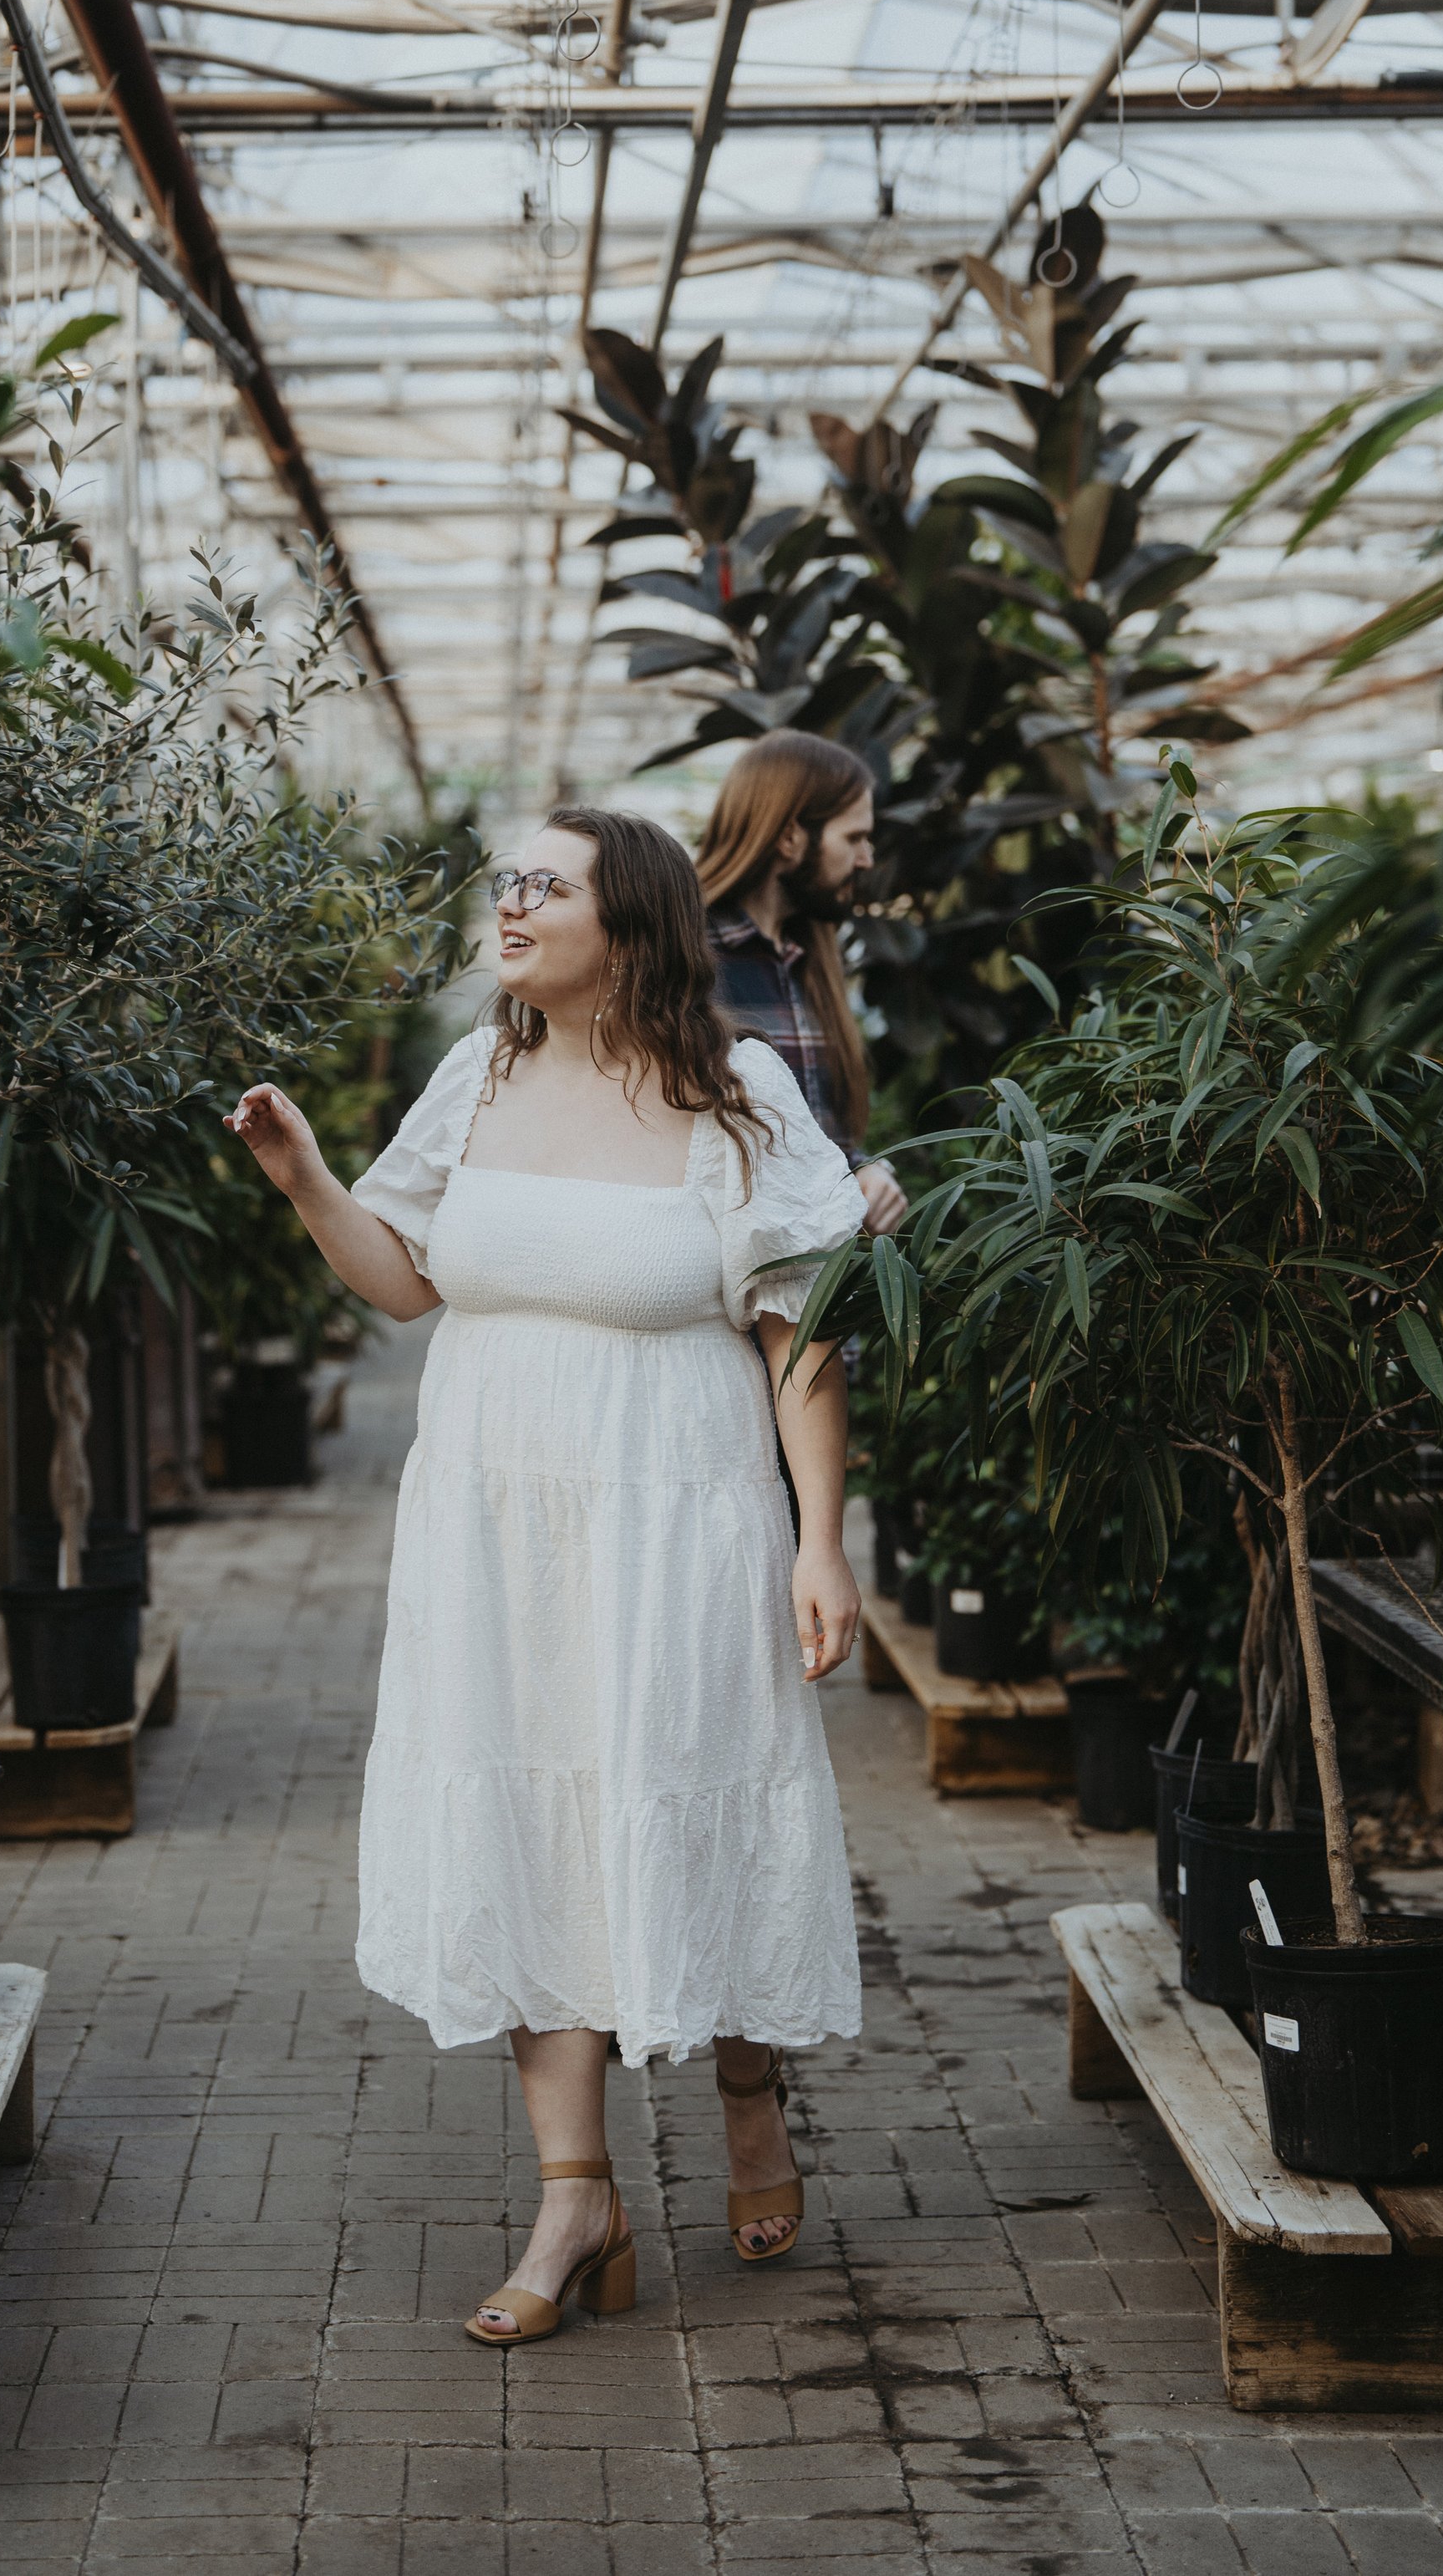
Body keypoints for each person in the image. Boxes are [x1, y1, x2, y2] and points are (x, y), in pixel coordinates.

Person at [229, 808, 865, 2349]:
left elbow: (802, 1333)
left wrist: (820, 1537)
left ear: (630, 923)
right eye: (505, 880)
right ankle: (577, 2199)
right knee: (530, 1829)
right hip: (495, 1525)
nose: (508, 904)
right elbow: (404, 1282)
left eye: (544, 884)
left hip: (677, 1519)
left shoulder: (740, 1095)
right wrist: (307, 1178)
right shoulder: (480, 1073)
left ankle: (747, 2082)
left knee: (687, 1795)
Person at [694, 732, 907, 1235]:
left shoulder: (810, 957)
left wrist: (863, 1172)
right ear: (790, 837)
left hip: (819, 1267)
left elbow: (815, 1136)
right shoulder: (686, 958)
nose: (866, 859)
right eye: (854, 838)